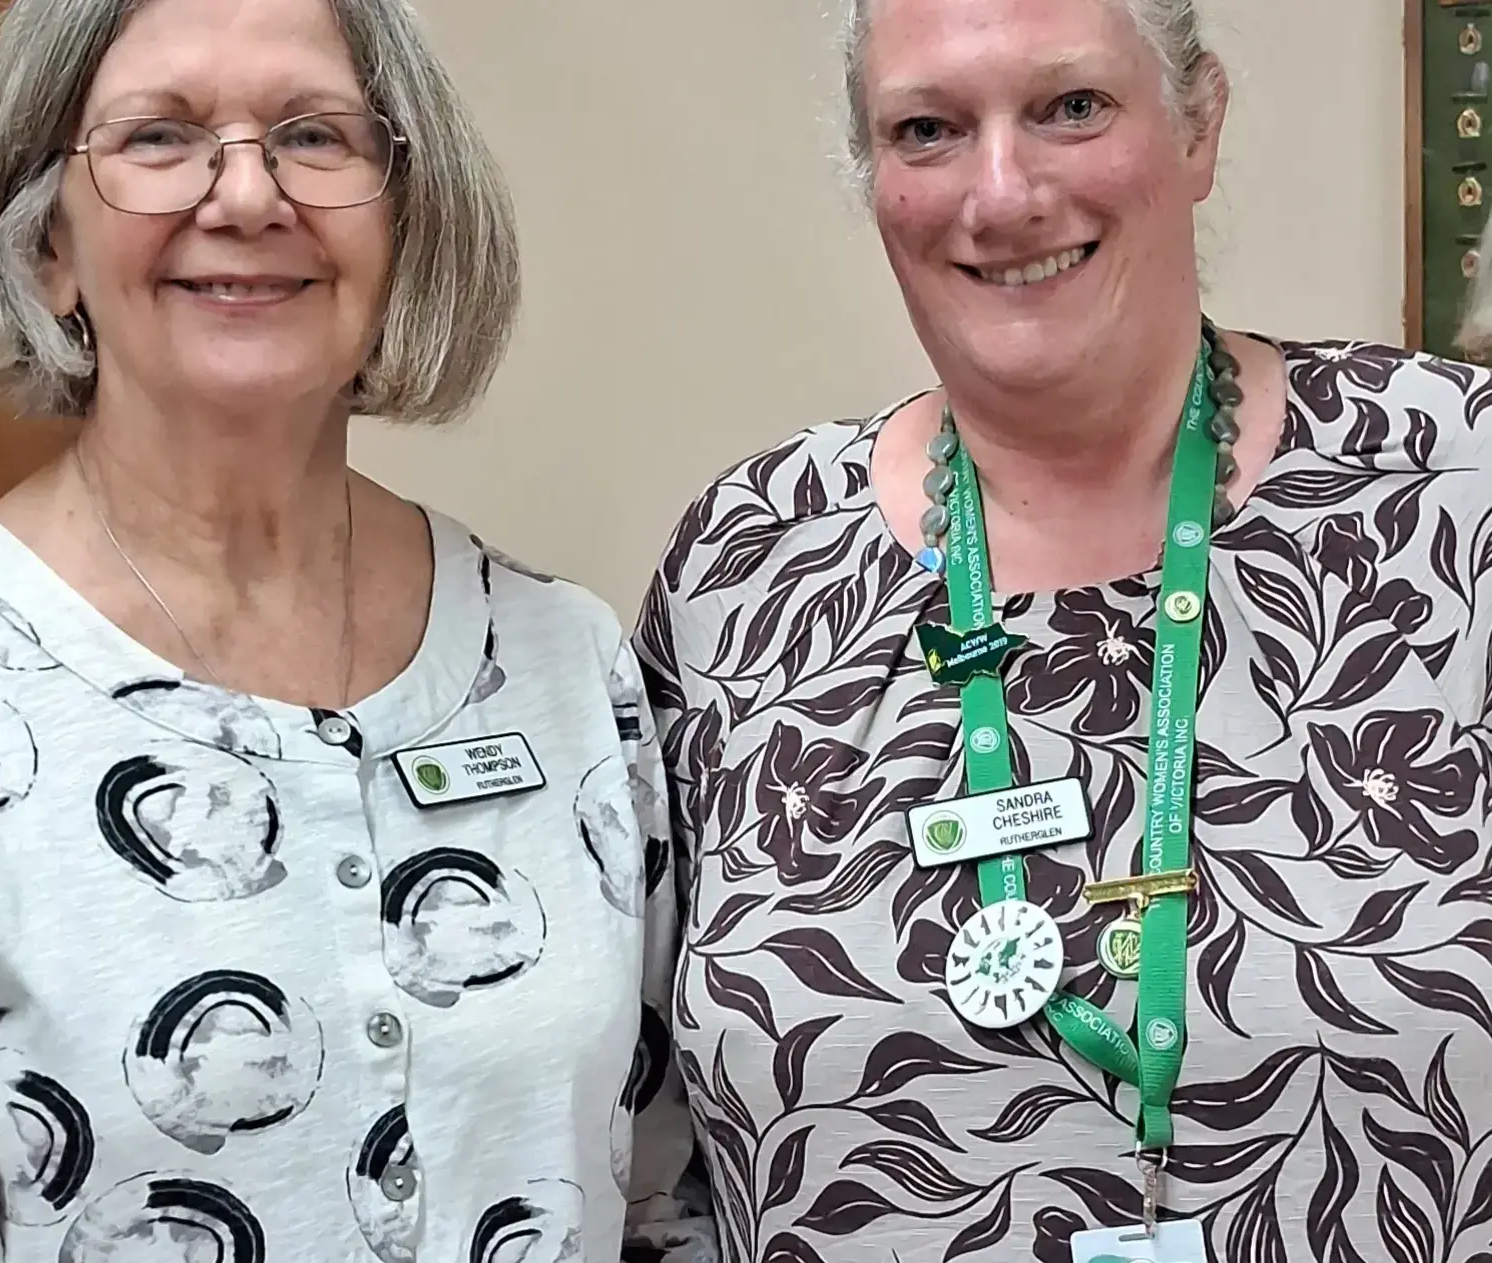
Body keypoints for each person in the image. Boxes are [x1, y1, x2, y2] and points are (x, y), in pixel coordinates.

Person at [0, 0, 714, 1259]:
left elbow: (658, 1201)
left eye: (312, 136)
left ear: (401, 222)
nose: (247, 195)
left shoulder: (561, 663)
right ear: (46, 249)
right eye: (158, 138)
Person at [637, 0, 1492, 1259]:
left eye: (1070, 108)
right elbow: (655, 1158)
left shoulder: (1451, 485)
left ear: (1196, 125)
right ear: (872, 180)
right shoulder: (747, 562)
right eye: (926, 129)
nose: (1002, 192)